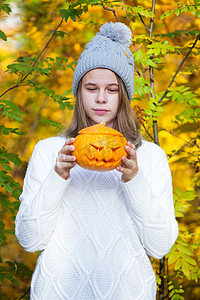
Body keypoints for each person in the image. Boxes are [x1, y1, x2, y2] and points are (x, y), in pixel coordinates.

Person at [15, 22, 178, 300]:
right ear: (79, 92)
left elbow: (159, 246)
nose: (101, 98)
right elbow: (30, 240)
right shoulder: (49, 151)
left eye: (112, 90)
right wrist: (58, 176)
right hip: (58, 293)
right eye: (91, 88)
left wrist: (133, 179)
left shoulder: (150, 157)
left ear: (124, 95)